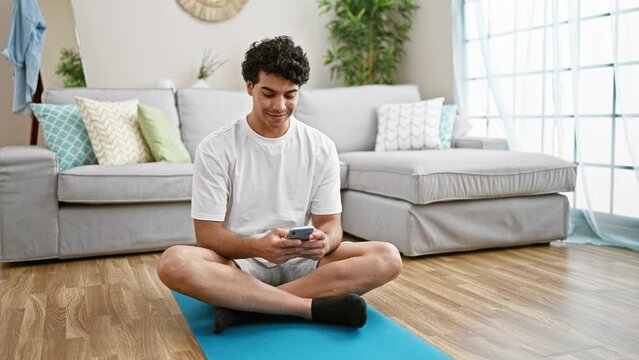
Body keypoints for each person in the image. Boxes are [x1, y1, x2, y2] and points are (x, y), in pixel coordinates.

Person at [157, 36, 402, 334]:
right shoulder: (216, 148)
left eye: (290, 95)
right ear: (249, 87)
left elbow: (331, 224)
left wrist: (325, 241)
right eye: (269, 93)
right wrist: (257, 246)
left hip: (304, 263)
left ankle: (248, 308)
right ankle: (303, 306)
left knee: (387, 257)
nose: (280, 105)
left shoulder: (321, 146)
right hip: (241, 265)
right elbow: (207, 235)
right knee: (173, 262)